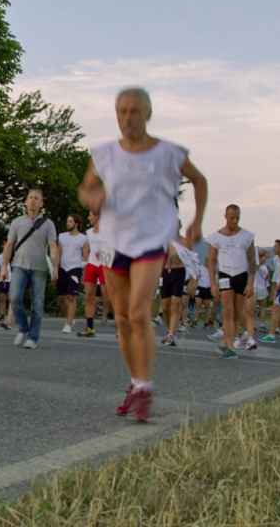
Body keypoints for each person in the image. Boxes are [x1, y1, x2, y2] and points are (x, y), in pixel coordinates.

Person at [78, 86, 207, 422]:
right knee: (121, 319)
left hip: (151, 241)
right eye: (121, 111)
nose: (127, 118)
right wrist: (93, 197)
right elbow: (86, 186)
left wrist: (196, 222)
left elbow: (199, 180)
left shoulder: (168, 153)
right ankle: (136, 383)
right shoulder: (104, 153)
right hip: (112, 241)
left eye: (134, 111)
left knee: (138, 313)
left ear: (148, 113)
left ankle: (146, 388)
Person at [0, 188, 58, 349]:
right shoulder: (17, 222)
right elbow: (9, 245)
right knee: (15, 297)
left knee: (37, 304)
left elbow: (53, 246)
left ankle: (33, 337)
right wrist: (4, 266)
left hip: (40, 268)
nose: (33, 200)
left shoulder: (48, 224)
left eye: (37, 198)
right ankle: (23, 328)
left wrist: (55, 267)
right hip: (19, 265)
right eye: (30, 197)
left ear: (41, 203)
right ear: (25, 201)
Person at [206, 205, 256, 358]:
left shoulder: (247, 236)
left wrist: (250, 283)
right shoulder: (215, 237)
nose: (234, 220)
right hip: (225, 275)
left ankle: (230, 341)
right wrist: (213, 283)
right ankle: (228, 346)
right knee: (227, 310)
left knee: (237, 312)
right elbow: (212, 261)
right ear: (225, 216)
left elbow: (252, 261)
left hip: (241, 275)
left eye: (237, 218)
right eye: (232, 217)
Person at [160, 226, 193, 347]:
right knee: (164, 307)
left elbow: (191, 261)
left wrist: (192, 280)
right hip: (166, 274)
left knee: (175, 304)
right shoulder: (165, 241)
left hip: (179, 273)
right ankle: (170, 331)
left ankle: (171, 334)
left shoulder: (184, 242)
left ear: (179, 226)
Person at [80, 210, 110, 338]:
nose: (88, 217)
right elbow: (86, 249)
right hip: (92, 265)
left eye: (90, 215)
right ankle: (90, 328)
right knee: (89, 296)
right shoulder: (89, 232)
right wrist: (85, 264)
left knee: (107, 297)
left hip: (105, 265)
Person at [57, 214, 87, 333]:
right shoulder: (61, 236)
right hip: (62, 269)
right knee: (62, 299)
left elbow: (85, 257)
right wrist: (55, 269)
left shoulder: (83, 238)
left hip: (75, 268)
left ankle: (68, 324)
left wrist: (83, 275)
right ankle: (70, 318)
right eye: (67, 221)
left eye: (70, 221)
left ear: (76, 224)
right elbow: (58, 254)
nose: (67, 223)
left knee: (71, 296)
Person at [193, 261, 215, 330]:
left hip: (208, 289)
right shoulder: (200, 268)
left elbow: (214, 279)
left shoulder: (212, 269)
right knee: (197, 304)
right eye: (207, 260)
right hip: (200, 288)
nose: (207, 262)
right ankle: (195, 320)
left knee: (207, 307)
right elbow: (196, 278)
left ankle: (206, 322)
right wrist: (194, 287)